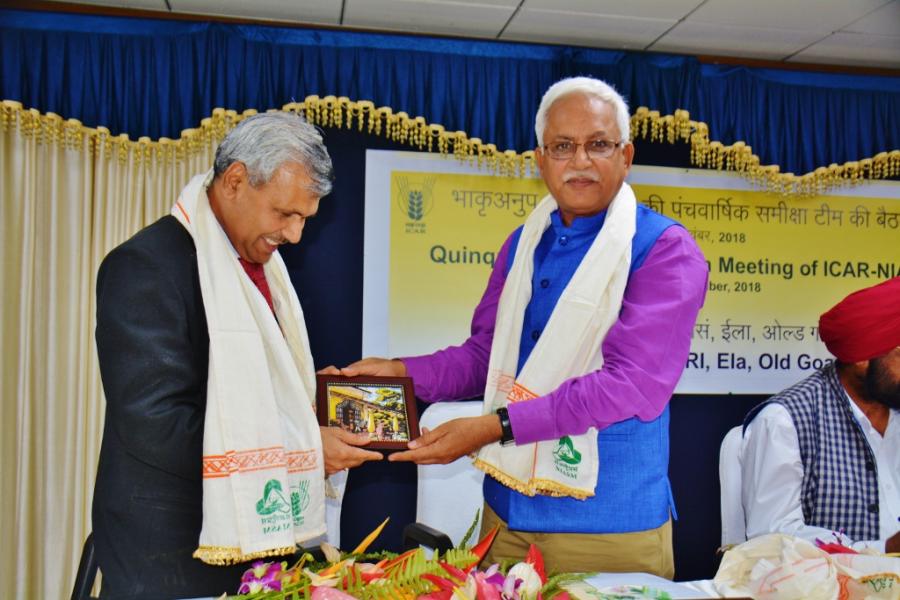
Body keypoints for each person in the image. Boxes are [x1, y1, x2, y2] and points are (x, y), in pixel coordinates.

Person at [326, 77, 708, 576]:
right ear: (540, 159)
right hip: (504, 518)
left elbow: (630, 385)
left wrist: (494, 427)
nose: (580, 160)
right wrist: (400, 373)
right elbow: (486, 356)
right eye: (562, 146)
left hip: (605, 527)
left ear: (626, 155)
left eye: (598, 144)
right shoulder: (523, 245)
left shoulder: (664, 250)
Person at [92, 112, 382, 599]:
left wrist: (308, 399)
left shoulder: (260, 265)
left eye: (304, 219)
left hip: (257, 549)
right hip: (174, 558)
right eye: (284, 213)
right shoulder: (144, 266)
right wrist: (303, 451)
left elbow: (243, 390)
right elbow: (156, 423)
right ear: (235, 181)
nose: (295, 235)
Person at [742, 277, 900, 553]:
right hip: (834, 578)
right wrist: (882, 549)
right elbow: (773, 536)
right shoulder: (785, 421)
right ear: (861, 359)